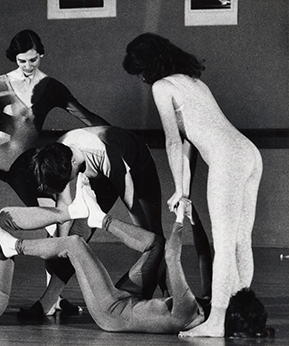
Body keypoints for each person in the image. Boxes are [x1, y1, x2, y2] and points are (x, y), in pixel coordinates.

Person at [123, 33, 263, 337]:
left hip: (228, 158)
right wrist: (182, 190)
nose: (143, 80)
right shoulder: (194, 82)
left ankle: (216, 320)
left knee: (225, 242)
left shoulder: (163, 87)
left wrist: (181, 191)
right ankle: (238, 314)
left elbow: (174, 141)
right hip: (249, 153)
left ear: (148, 66)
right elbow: (191, 142)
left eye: (141, 72)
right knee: (241, 240)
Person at [0, 186, 270, 336]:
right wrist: (195, 218)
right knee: (154, 245)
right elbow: (203, 257)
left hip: (111, 311)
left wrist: (180, 218)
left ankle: (13, 246)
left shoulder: (188, 313)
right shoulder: (209, 307)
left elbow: (174, 258)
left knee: (74, 244)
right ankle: (100, 218)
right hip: (130, 299)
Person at [0, 29, 109, 248]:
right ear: (15, 59)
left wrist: (116, 134)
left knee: (55, 221)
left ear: (41, 55)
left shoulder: (53, 88)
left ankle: (56, 273)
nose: (27, 66)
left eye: (33, 59)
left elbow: (86, 116)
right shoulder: (2, 84)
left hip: (24, 164)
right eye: (21, 61)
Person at [14, 126, 174, 318]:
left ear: (73, 162)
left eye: (68, 179)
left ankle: (171, 297)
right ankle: (46, 303)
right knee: (77, 236)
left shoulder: (106, 157)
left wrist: (146, 244)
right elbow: (64, 207)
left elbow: (133, 208)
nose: (67, 183)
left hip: (137, 164)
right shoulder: (60, 154)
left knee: (153, 236)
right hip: (97, 171)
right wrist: (62, 246)